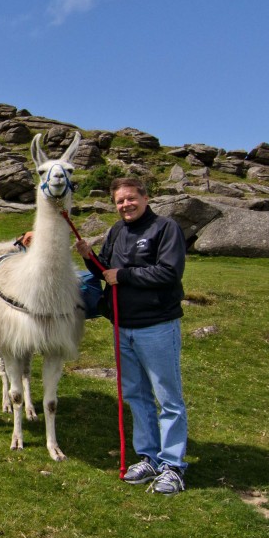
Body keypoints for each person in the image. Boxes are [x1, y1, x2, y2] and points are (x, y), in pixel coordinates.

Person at [75, 177, 189, 495]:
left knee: (168, 398)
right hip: (122, 327)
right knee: (136, 396)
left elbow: (169, 272)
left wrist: (121, 275)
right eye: (119, 201)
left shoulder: (165, 229)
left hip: (156, 326)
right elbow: (105, 271)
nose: (125, 205)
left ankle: (173, 466)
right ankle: (149, 456)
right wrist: (89, 256)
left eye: (130, 198)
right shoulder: (116, 231)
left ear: (145, 197)